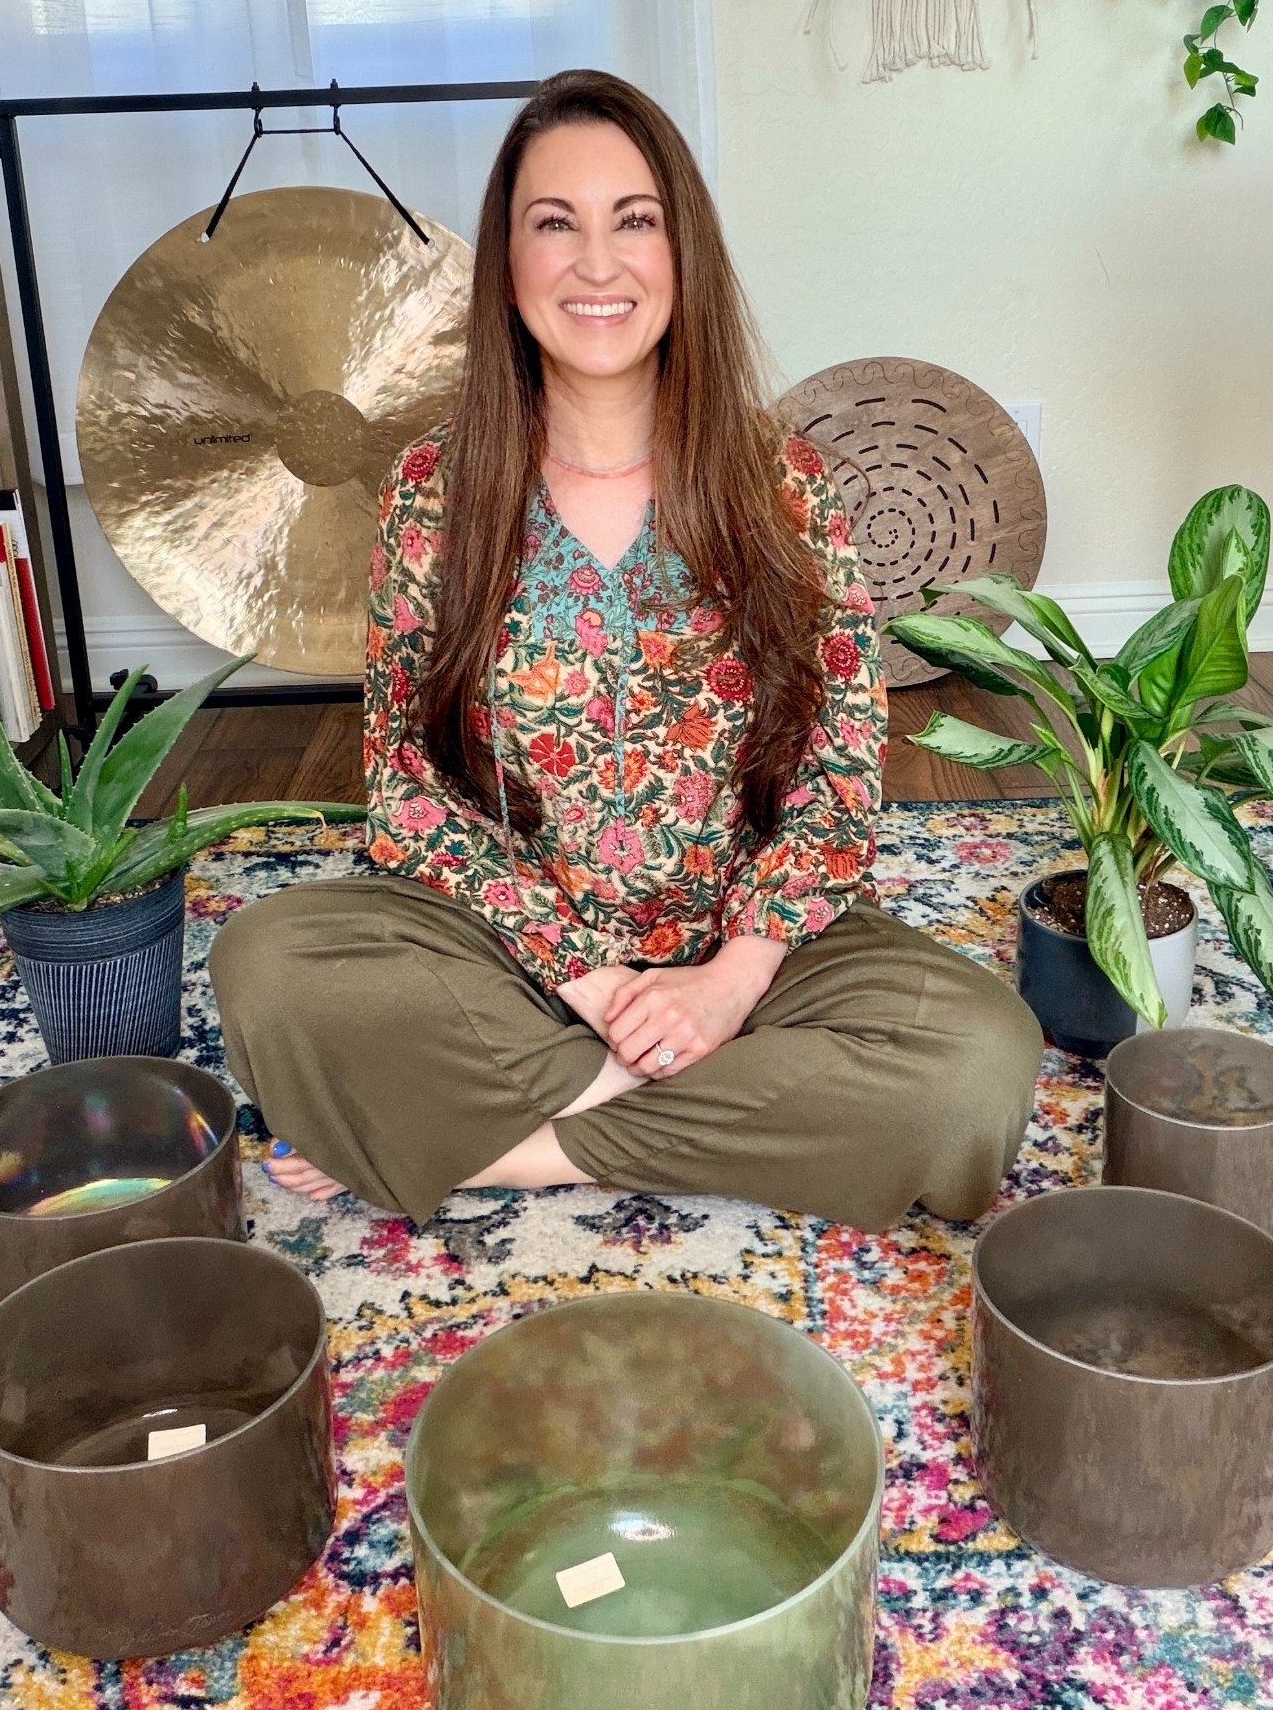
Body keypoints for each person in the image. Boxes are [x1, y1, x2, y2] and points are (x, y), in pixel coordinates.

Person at [208, 67, 1042, 1233]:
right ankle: (685, 1114)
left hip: (749, 954)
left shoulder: (786, 487)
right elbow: (406, 783)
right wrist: (588, 979)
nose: (597, 264)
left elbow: (841, 765)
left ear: (681, 252)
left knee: (979, 1060)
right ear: (508, 265)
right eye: (556, 224)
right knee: (268, 966)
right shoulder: (431, 493)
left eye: (633, 221)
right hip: (510, 952)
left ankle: (509, 1149)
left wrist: (731, 978)